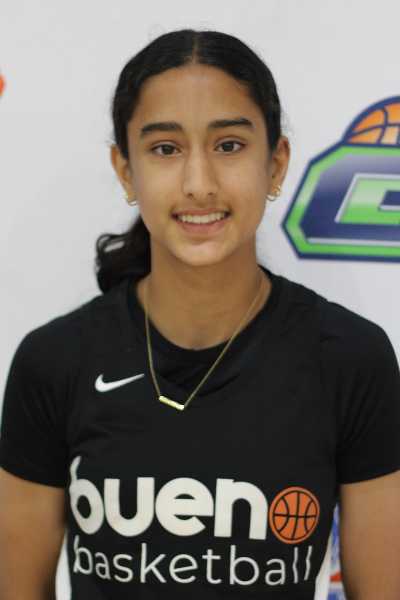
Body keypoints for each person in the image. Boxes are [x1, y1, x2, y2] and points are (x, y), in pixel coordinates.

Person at [0, 29, 400, 600]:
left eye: (229, 145)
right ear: (125, 170)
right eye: (165, 149)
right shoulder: (55, 362)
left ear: (276, 163)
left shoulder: (347, 360)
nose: (199, 184)